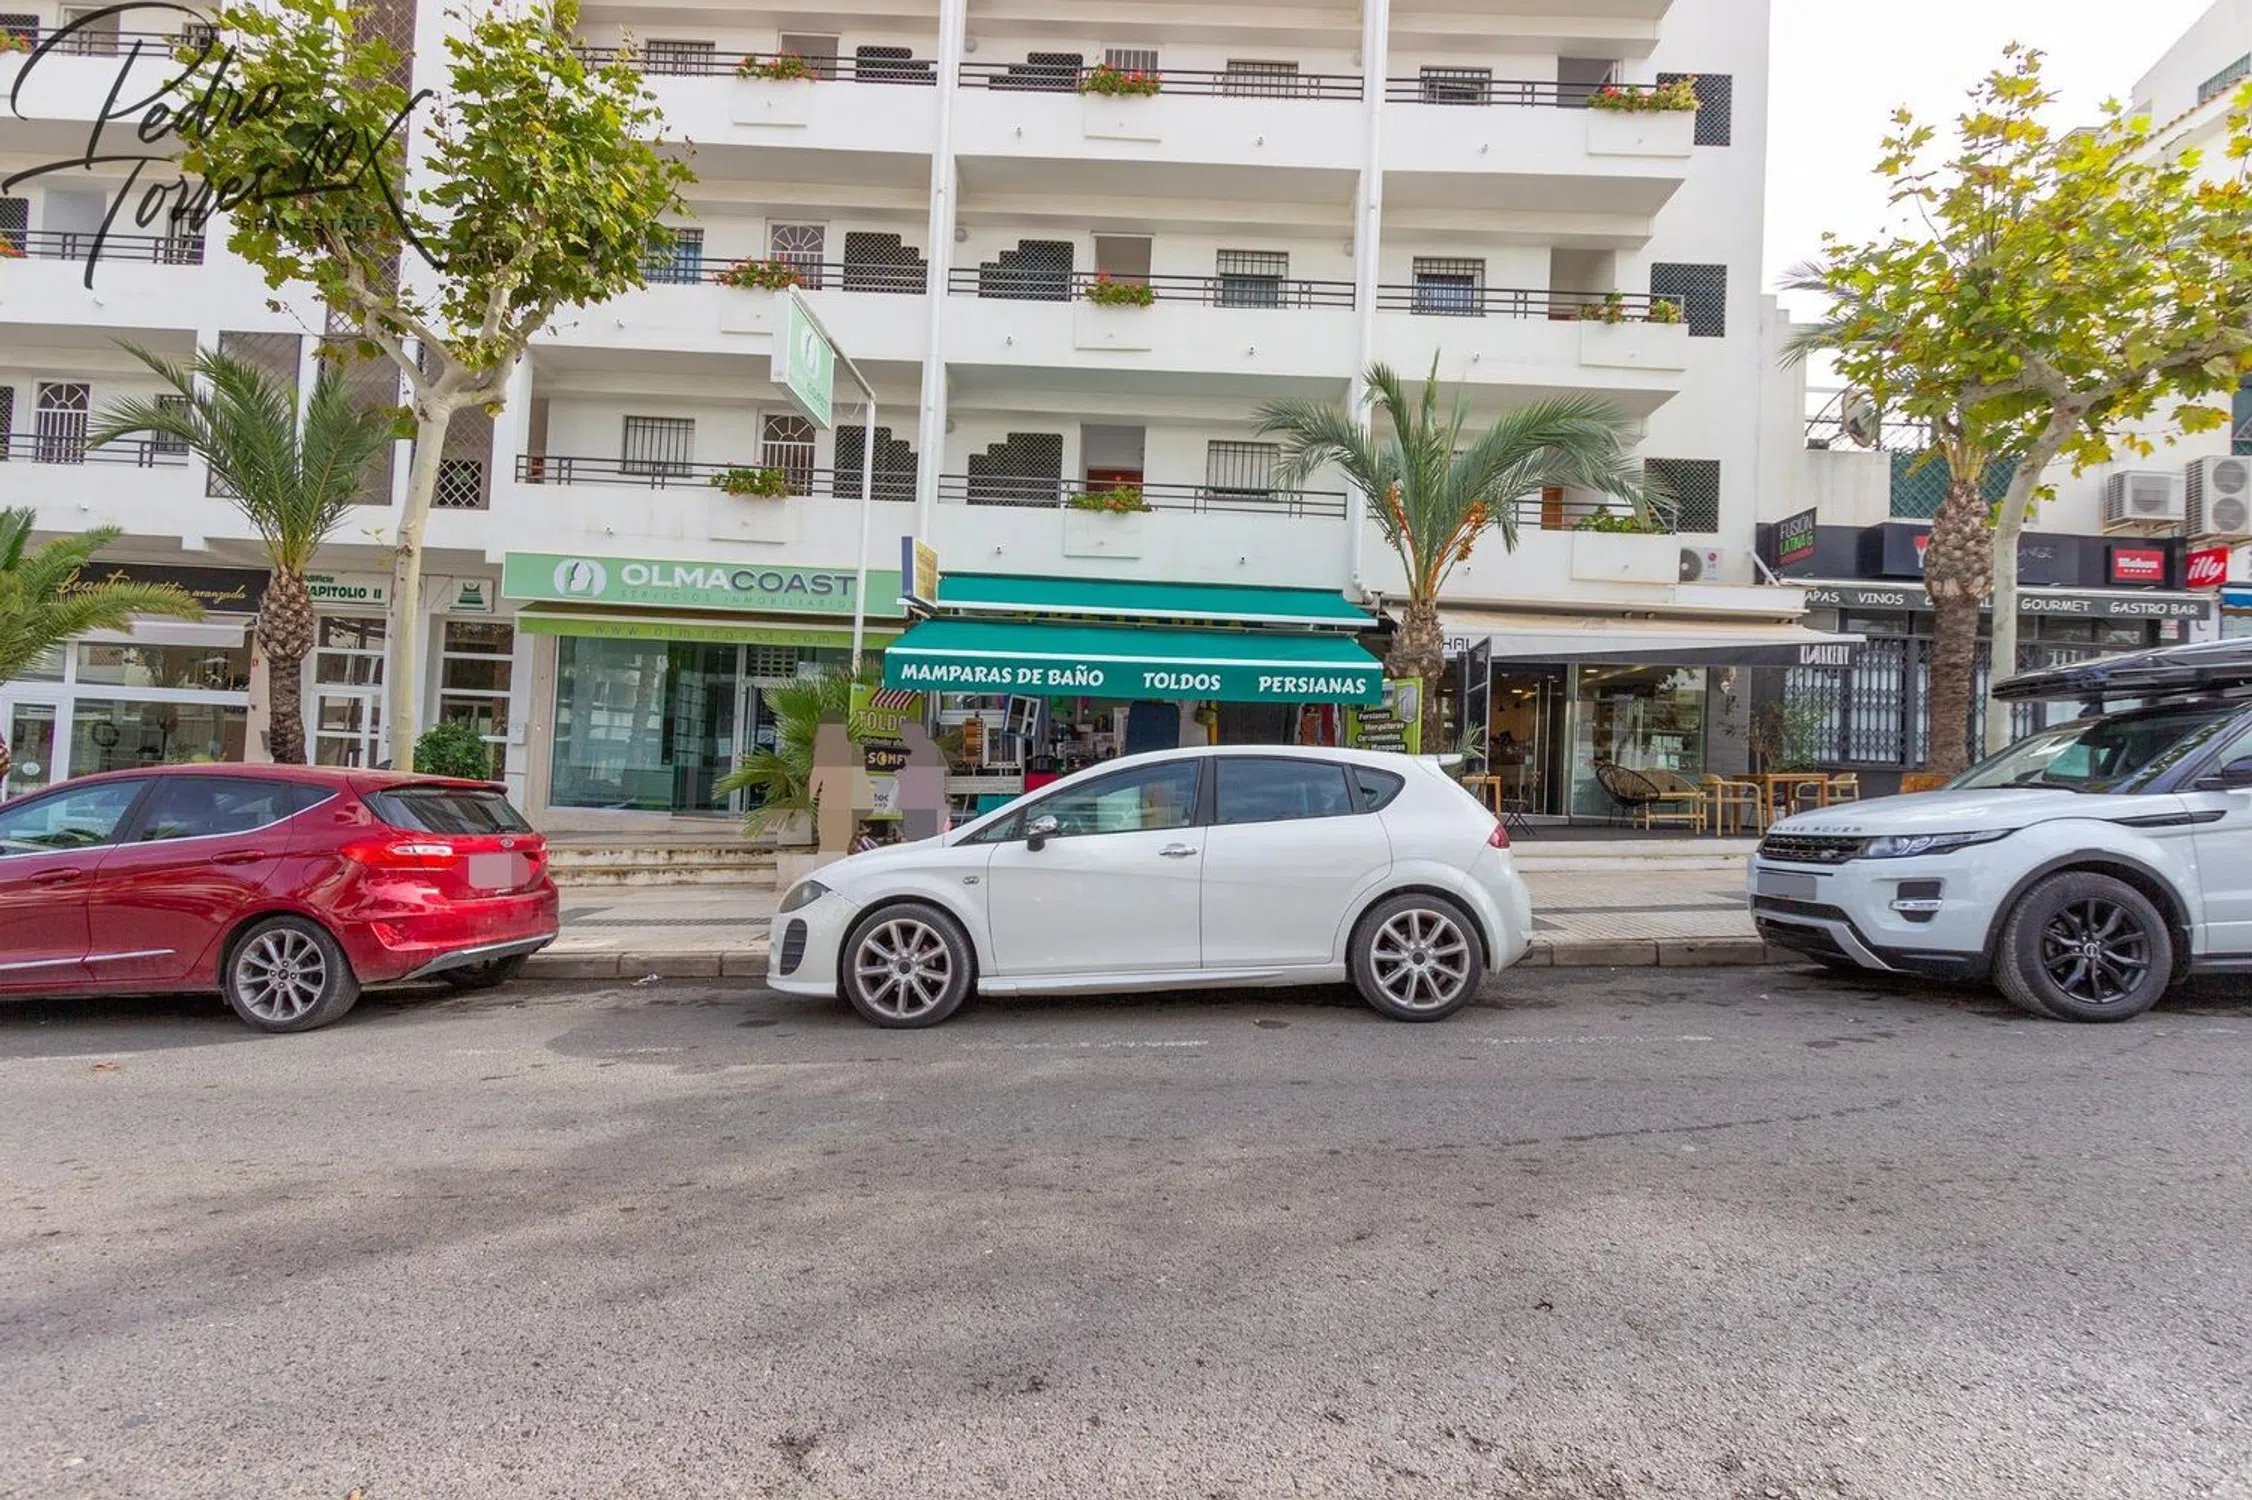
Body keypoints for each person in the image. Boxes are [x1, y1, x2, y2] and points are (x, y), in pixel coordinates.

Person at [896, 722, 950, 842]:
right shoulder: (931, 747)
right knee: (930, 835)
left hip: (918, 800)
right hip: (929, 800)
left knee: (917, 835)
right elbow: (945, 770)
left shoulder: (916, 748)